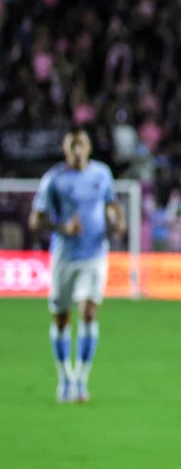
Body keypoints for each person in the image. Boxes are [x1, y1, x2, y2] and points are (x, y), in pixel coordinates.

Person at [28, 129, 126, 403]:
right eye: (72, 146)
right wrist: (62, 227)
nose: (77, 151)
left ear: (89, 147)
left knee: (89, 312)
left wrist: (119, 222)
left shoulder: (101, 174)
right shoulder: (54, 179)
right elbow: (36, 220)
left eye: (81, 144)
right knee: (61, 319)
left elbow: (112, 204)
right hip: (64, 256)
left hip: (94, 254)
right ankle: (65, 378)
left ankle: (82, 380)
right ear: (65, 149)